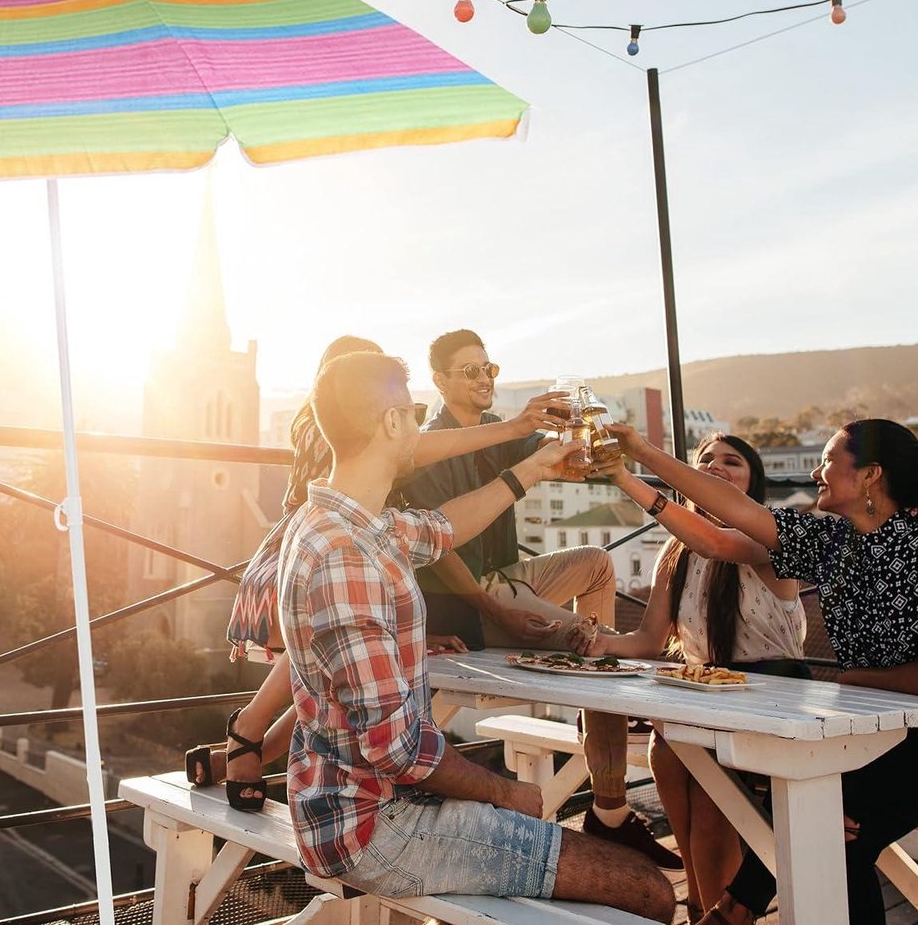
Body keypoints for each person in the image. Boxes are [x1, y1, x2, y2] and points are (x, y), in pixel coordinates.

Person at [275, 350, 675, 918]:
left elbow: (442, 528)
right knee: (647, 890)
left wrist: (536, 467)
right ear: (392, 423)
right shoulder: (348, 557)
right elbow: (395, 749)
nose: (419, 423)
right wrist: (507, 793)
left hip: (340, 801)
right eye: (411, 412)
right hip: (377, 827)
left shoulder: (343, 523)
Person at [187, 334, 567, 811]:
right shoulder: (327, 432)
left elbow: (433, 515)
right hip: (316, 547)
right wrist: (512, 429)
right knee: (321, 661)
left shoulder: (350, 455)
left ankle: (250, 748)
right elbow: (422, 450)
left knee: (327, 682)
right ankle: (247, 731)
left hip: (355, 540)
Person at [608, 418, 918, 925]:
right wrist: (641, 457)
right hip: (876, 734)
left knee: (826, 827)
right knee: (830, 833)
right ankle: (732, 910)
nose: (817, 472)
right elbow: (724, 526)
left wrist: (859, 680)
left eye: (828, 461)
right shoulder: (834, 541)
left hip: (901, 742)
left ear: (869, 476)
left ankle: (730, 911)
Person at [402, 329, 682, 868]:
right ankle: (611, 801)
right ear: (439, 381)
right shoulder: (433, 443)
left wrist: (583, 444)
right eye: (470, 372)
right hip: (465, 596)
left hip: (508, 576)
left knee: (597, 563)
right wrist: (497, 611)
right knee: (593, 649)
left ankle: (595, 669)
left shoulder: (493, 430)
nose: (484, 379)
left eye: (490, 369)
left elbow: (549, 455)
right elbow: (437, 550)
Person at [591, 433, 808, 921]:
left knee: (711, 796)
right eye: (705, 459)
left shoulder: (767, 539)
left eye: (732, 462)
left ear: (752, 484)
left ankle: (718, 910)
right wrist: (599, 642)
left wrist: (626, 475)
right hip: (700, 694)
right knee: (665, 753)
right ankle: (698, 902)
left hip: (769, 695)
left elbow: (713, 540)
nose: (715, 466)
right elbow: (648, 640)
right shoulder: (675, 551)